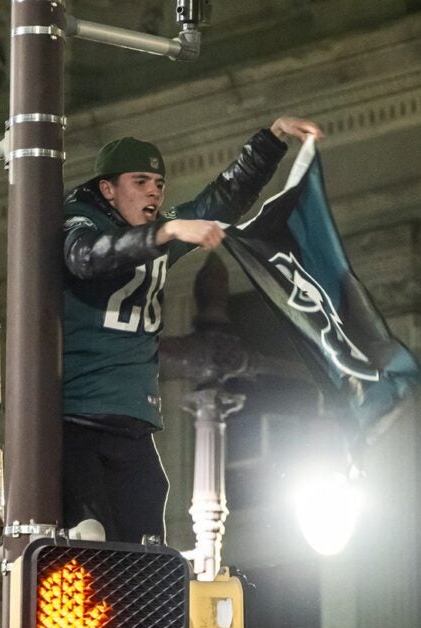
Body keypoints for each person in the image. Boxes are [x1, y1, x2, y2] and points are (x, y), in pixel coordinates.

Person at [60, 116, 323, 542]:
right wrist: (165, 231)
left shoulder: (161, 231)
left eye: (159, 184)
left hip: (134, 418)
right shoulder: (80, 222)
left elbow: (221, 200)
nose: (153, 191)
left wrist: (270, 141)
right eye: (139, 180)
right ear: (108, 189)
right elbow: (87, 258)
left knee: (147, 541)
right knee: (89, 535)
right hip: (78, 416)